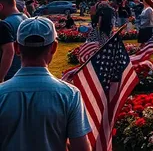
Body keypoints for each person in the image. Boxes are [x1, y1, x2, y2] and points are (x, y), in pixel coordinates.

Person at [0, 17, 92, 150]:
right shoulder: (69, 95)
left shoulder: (2, 93)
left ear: (17, 48)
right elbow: (81, 147)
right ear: (54, 47)